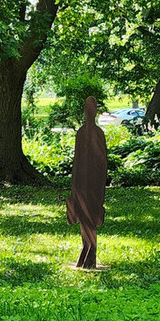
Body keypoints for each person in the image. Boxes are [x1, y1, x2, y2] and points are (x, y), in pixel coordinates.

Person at [66, 96, 107, 269]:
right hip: (82, 184)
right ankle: (86, 248)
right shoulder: (81, 133)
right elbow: (77, 161)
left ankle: (91, 251)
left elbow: (103, 162)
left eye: (92, 109)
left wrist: (100, 186)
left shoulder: (98, 134)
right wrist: (74, 185)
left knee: (91, 217)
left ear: (95, 112)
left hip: (93, 184)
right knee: (83, 217)